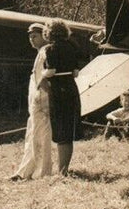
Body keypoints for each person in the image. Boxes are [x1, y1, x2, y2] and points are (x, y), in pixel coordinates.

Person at [10, 23, 56, 180]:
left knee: (40, 136)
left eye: (35, 36)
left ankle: (39, 172)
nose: (32, 40)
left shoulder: (46, 51)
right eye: (30, 37)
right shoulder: (40, 53)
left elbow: (45, 78)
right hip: (36, 102)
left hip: (42, 101)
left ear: (44, 35)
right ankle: (26, 170)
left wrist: (43, 99)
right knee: (32, 134)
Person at [44, 19, 82, 175]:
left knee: (60, 131)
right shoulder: (73, 46)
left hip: (59, 91)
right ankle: (64, 168)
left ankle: (62, 172)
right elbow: (76, 72)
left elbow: (51, 71)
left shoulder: (50, 49)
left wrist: (42, 74)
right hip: (71, 88)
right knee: (68, 132)